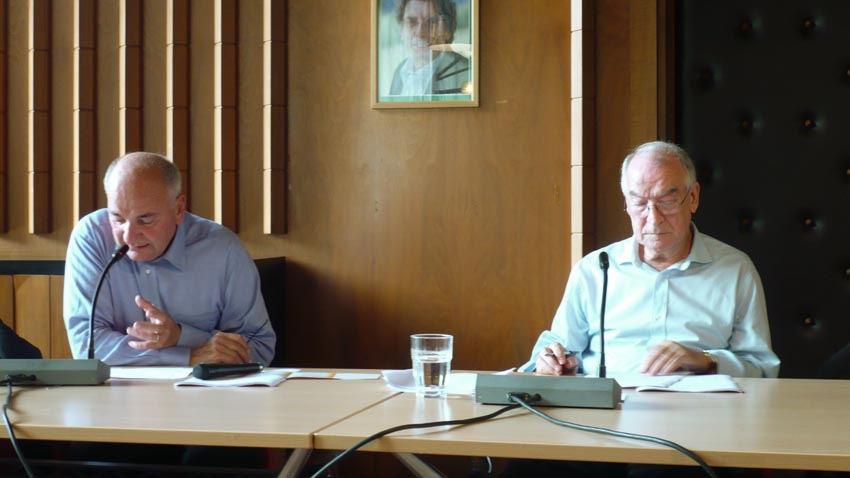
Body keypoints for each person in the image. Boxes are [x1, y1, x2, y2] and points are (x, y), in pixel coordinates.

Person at [505, 141, 780, 477]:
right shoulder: (595, 268)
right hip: (595, 425)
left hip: (693, 430)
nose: (652, 217)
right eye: (639, 203)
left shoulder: (735, 270)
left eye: (666, 201)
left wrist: (705, 360)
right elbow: (557, 346)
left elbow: (763, 370)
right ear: (626, 203)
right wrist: (549, 361)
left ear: (693, 197)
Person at [64, 152, 276, 367]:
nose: (129, 236)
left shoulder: (223, 249)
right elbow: (86, 347)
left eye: (145, 219)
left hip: (204, 388)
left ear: (178, 209)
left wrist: (180, 336)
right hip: (116, 387)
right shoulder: (92, 237)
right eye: (118, 219)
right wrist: (189, 356)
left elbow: (260, 348)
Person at [389, 0, 471, 96]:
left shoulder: (468, 74)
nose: (420, 33)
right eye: (412, 22)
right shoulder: (399, 72)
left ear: (448, 30)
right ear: (401, 30)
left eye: (432, 22)